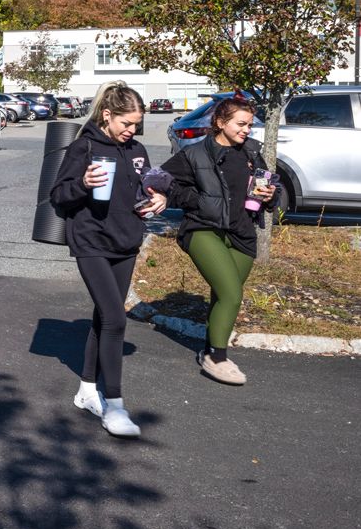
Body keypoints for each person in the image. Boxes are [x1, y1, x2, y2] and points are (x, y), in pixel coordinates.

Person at [49, 82, 167, 438]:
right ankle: (115, 406)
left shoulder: (137, 151)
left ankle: (87, 390)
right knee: (116, 318)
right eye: (126, 123)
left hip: (125, 241)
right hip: (91, 242)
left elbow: (143, 190)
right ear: (107, 115)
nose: (132, 130)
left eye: (136, 124)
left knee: (104, 317)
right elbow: (58, 196)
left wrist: (157, 200)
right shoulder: (83, 147)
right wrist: (83, 183)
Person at [158, 96, 275, 386]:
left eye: (249, 125)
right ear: (221, 123)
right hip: (203, 229)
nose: (246, 130)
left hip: (241, 233)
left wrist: (271, 195)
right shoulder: (195, 154)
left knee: (222, 295)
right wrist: (195, 200)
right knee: (232, 294)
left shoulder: (251, 152)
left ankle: (209, 350)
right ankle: (217, 359)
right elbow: (159, 179)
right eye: (241, 124)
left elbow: (271, 188)